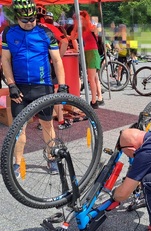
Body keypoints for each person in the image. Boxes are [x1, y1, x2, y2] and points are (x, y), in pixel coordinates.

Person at [1, 0, 68, 176]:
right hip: (20, 88)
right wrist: (11, 84)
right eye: (25, 20)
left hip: (43, 87)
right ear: (17, 18)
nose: (30, 22)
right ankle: (17, 163)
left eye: (32, 19)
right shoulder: (8, 33)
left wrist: (61, 85)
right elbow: (6, 60)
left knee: (47, 124)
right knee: (18, 127)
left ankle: (51, 158)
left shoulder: (45, 32)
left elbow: (57, 60)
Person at [70, 10, 104, 108]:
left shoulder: (90, 27)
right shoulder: (81, 29)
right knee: (92, 78)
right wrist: (76, 27)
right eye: (77, 19)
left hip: (93, 53)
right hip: (86, 52)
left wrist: (93, 26)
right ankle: (97, 99)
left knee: (91, 78)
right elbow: (72, 37)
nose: (78, 20)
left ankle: (94, 101)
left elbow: (96, 30)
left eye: (80, 19)